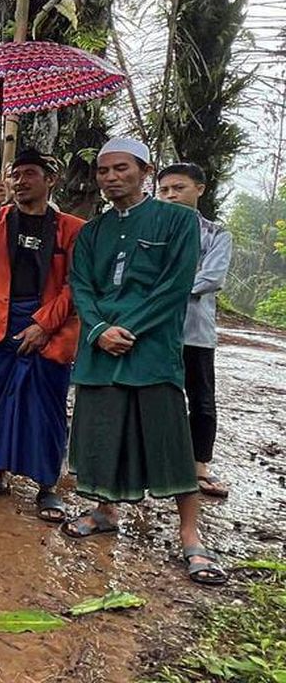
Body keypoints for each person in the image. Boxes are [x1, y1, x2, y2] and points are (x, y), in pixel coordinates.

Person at [64, 137, 226, 587]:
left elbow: (174, 288)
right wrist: (98, 330)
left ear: (145, 170)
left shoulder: (177, 221)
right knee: (101, 434)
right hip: (99, 349)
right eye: (103, 171)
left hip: (151, 348)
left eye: (121, 168)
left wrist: (126, 330)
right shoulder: (91, 232)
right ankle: (103, 511)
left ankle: (191, 534)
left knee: (170, 440)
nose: (111, 177)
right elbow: (81, 285)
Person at [0, 153, 84, 523]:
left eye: (30, 174)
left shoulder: (72, 227)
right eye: (16, 175)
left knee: (47, 405)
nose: (21, 180)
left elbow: (75, 284)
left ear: (51, 180)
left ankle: (47, 485)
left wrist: (44, 325)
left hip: (50, 324)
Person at [157, 163, 233, 498]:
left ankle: (200, 465)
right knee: (155, 394)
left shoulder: (216, 235)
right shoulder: (152, 229)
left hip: (195, 330)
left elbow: (212, 277)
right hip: (156, 329)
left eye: (179, 188)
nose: (171, 195)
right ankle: (154, 461)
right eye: (165, 190)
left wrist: (165, 289)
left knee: (200, 398)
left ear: (199, 189)